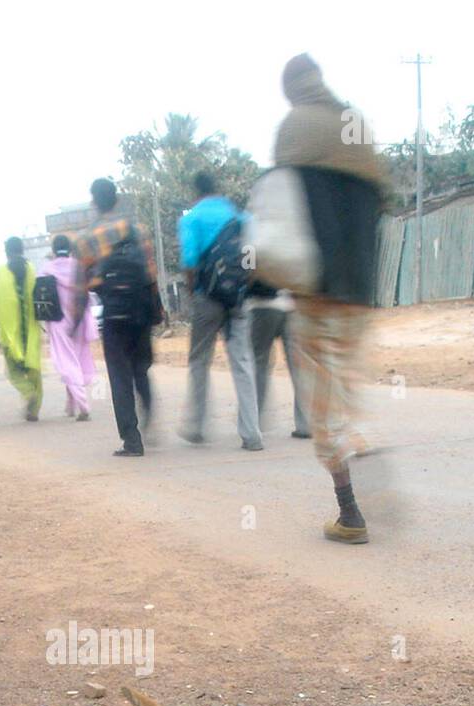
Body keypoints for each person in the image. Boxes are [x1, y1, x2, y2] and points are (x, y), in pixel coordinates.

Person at [272, 53, 386, 543]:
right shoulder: (354, 122)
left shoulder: (293, 125)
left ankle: (350, 512)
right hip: (360, 290)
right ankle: (357, 444)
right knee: (343, 385)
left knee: (323, 407)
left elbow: (281, 209)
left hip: (315, 289)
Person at [74, 178, 161, 457]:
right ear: (116, 198)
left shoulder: (86, 238)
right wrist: (157, 308)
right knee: (140, 367)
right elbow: (150, 272)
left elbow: (81, 285)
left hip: (113, 312)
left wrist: (76, 320)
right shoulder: (138, 229)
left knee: (119, 375)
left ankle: (131, 440)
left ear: (95, 202)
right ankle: (147, 407)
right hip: (141, 308)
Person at [177, 171, 262, 451]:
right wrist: (242, 288)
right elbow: (251, 257)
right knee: (242, 362)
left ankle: (196, 426)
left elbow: (189, 261)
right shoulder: (241, 218)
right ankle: (252, 434)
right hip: (237, 297)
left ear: (196, 192)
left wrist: (194, 292)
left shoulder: (191, 219)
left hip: (207, 298)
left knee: (200, 360)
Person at [41, 234, 98, 421]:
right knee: (77, 361)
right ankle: (70, 405)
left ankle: (83, 405)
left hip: (58, 322)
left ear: (53, 250)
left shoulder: (46, 269)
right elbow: (87, 294)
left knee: (67, 365)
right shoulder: (78, 267)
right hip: (79, 320)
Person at [244, 284, 310, 438]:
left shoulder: (251, 258)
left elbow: (248, 271)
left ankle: (254, 420)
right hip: (291, 307)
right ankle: (306, 424)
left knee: (259, 364)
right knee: (298, 366)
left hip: (262, 306)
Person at [0, 237, 42, 421]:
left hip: (11, 332)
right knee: (34, 371)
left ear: (7, 252)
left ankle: (28, 393)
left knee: (13, 371)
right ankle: (34, 411)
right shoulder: (32, 270)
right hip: (31, 329)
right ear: (22, 250)